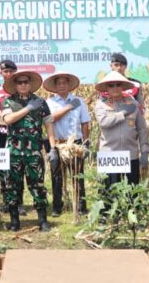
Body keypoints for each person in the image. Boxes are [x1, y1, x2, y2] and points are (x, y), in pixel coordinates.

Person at [1, 70, 57, 232]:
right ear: (15, 85)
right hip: (14, 153)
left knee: (38, 185)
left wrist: (52, 148)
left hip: (34, 151)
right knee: (12, 186)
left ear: (30, 84)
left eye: (26, 82)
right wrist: (27, 109)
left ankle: (42, 220)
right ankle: (14, 221)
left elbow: (49, 125)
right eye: (20, 82)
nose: (23, 85)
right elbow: (8, 119)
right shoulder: (8, 102)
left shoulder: (40, 102)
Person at [43, 71, 90, 216]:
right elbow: (48, 120)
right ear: (55, 86)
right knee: (56, 176)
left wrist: (86, 142)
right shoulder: (50, 103)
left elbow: (85, 123)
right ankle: (57, 207)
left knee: (77, 175)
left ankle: (81, 206)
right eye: (59, 83)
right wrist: (68, 107)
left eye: (64, 83)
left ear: (69, 85)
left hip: (75, 142)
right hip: (56, 143)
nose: (62, 86)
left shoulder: (80, 101)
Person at [94, 71, 149, 190]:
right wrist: (123, 113)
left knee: (131, 194)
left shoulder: (133, 104)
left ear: (123, 87)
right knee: (109, 195)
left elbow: (142, 128)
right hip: (109, 154)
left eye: (118, 84)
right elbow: (104, 122)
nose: (115, 88)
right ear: (107, 88)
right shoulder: (101, 105)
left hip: (130, 154)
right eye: (111, 85)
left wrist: (145, 150)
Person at [0, 59, 20, 213]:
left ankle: (18, 202)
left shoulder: (21, 87)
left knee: (17, 166)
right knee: (2, 166)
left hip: (18, 133)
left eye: (11, 71)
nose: (8, 74)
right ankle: (6, 200)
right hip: (0, 132)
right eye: (5, 71)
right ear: (1, 73)